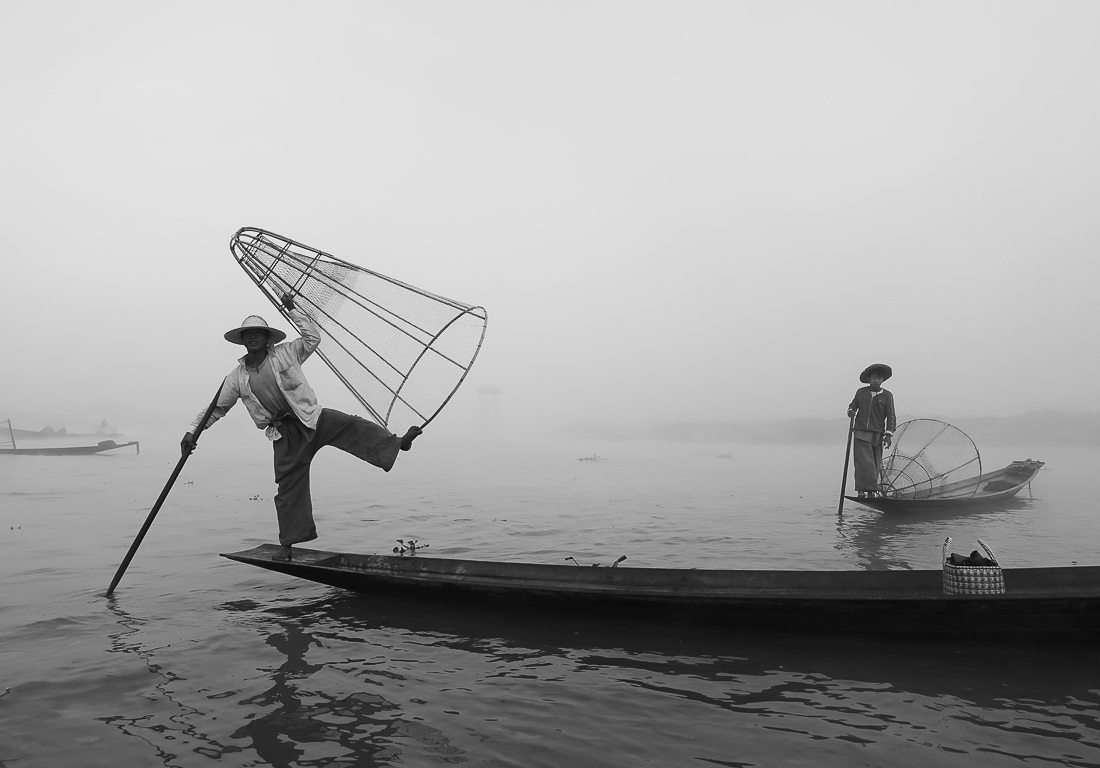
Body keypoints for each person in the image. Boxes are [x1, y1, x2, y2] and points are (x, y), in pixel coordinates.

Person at [181, 293, 421, 560]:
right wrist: (192, 432)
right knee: (288, 487)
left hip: (311, 418)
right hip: (285, 433)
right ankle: (288, 545)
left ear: (267, 338)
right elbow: (216, 408)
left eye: (258, 333)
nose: (253, 338)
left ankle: (398, 443)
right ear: (242, 340)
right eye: (248, 334)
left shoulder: (286, 353)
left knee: (353, 425)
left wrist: (292, 309)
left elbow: (312, 339)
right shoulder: (237, 377)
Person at [846, 363, 896, 499]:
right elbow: (853, 406)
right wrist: (851, 411)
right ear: (869, 379)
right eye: (874, 378)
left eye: (879, 378)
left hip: (878, 434)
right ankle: (862, 490)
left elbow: (891, 416)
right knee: (864, 462)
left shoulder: (887, 396)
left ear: (882, 380)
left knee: (875, 462)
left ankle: (871, 491)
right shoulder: (861, 392)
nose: (876, 381)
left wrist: (888, 434)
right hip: (861, 432)